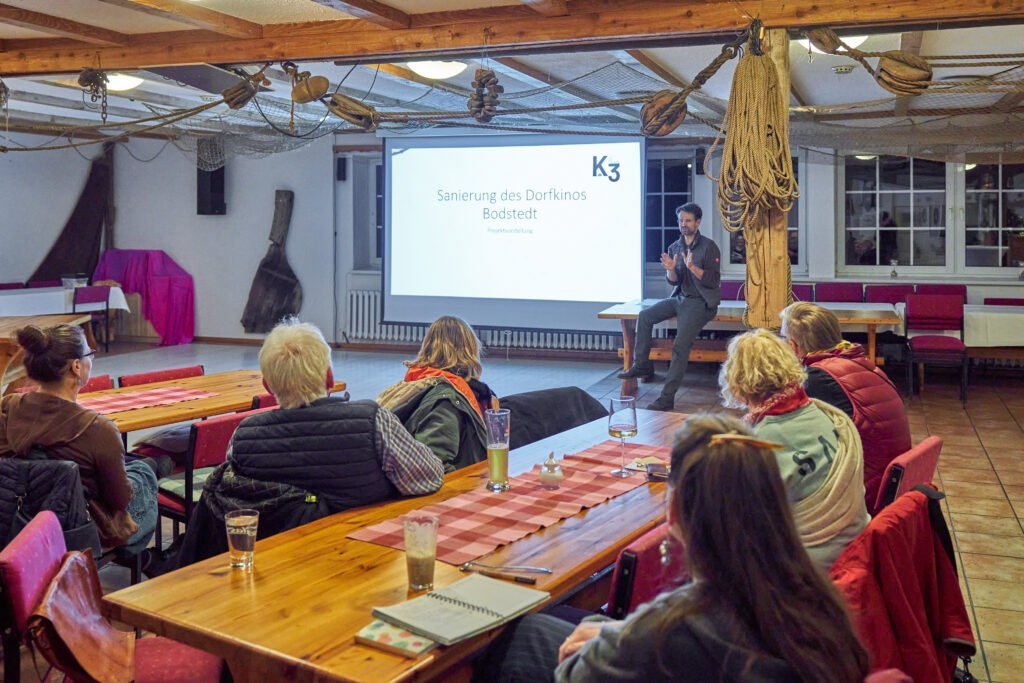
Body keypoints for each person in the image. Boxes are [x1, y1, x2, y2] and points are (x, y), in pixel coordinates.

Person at [477, 413, 870, 683]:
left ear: (677, 509)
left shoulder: (674, 627)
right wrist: (612, 633)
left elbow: (574, 673)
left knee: (518, 640)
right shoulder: (820, 602)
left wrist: (608, 641)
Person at [225, 318, 445, 512]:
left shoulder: (243, 437)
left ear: (267, 386)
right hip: (364, 545)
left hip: (275, 551)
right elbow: (430, 477)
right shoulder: (374, 422)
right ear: (330, 378)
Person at [719, 328, 869, 570]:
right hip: (857, 545)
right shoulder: (825, 414)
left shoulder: (760, 442)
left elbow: (740, 523)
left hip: (808, 568)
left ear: (736, 380)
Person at [0, 324, 157, 550]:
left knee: (135, 465)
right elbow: (119, 501)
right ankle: (144, 555)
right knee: (143, 474)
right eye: (89, 354)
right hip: (75, 531)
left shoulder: (6, 407)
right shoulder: (97, 428)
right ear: (76, 366)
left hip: (14, 520)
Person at [780, 302, 911, 512]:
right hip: (892, 486)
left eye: (784, 340)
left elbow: (794, 441)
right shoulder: (860, 361)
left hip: (865, 495)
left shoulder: (819, 378)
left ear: (794, 347)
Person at [618, 202, 721, 412]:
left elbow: (713, 280)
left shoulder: (709, 247)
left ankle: (666, 398)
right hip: (680, 298)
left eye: (688, 220)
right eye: (681, 220)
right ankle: (643, 365)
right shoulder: (675, 247)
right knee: (645, 316)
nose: (683, 224)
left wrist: (693, 267)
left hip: (701, 301)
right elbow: (674, 281)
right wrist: (671, 270)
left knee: (679, 347)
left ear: (698, 222)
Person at [377, 315, 493, 472]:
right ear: (469, 350)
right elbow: (435, 465)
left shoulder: (417, 383)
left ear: (428, 346)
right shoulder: (446, 401)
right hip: (456, 490)